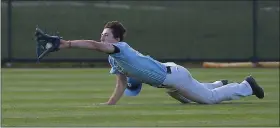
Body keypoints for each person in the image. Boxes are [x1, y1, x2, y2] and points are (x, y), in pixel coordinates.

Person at [35, 21, 264, 105]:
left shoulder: (120, 49)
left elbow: (94, 45)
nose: (102, 37)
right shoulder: (114, 58)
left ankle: (246, 86)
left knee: (209, 101)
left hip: (173, 76)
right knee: (186, 99)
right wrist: (110, 104)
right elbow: (121, 83)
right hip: (170, 79)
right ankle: (217, 82)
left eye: (106, 34)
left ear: (117, 38)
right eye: (102, 34)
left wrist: (66, 44)